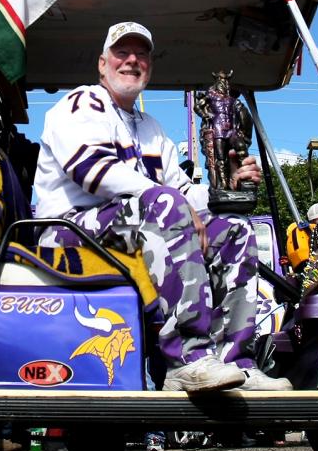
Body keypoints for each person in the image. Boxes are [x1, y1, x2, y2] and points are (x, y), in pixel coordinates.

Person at [32, 21, 290, 393]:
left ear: (149, 67)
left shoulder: (151, 128)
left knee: (235, 229)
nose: (132, 60)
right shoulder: (79, 104)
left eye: (142, 55)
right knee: (166, 203)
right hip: (66, 233)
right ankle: (185, 359)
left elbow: (183, 190)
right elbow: (93, 172)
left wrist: (225, 186)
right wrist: (175, 201)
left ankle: (237, 361)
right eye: (122, 52)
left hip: (131, 230)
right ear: (102, 64)